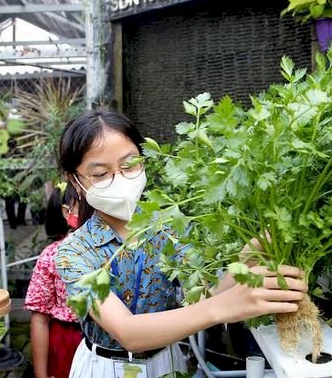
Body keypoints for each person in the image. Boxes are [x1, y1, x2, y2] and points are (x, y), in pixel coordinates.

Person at [55, 109, 308, 377]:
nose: (119, 179)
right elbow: (129, 333)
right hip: (105, 367)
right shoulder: (74, 252)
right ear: (75, 180)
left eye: (130, 164)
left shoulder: (170, 226)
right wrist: (225, 307)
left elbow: (200, 297)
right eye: (101, 173)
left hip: (168, 361)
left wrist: (246, 260)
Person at [25, 182, 82, 378]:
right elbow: (40, 319)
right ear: (67, 212)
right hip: (68, 341)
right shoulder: (51, 256)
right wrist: (41, 374)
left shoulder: (113, 249)